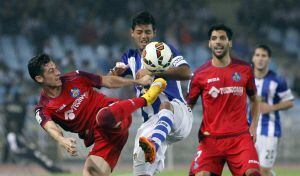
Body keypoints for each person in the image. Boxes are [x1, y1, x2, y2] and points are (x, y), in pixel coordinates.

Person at [27, 53, 167, 176]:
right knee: (90, 172)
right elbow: (50, 127)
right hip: (103, 138)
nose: (57, 72)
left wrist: (138, 82)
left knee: (103, 117)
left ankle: (146, 98)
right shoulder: (43, 107)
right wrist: (62, 140)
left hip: (114, 114)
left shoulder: (75, 77)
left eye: (56, 68)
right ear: (39, 78)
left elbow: (107, 81)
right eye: (51, 71)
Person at [109, 11, 193, 176]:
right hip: (151, 124)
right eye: (139, 32)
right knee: (141, 173)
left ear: (154, 33)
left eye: (148, 32)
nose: (144, 36)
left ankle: (154, 144)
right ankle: (152, 144)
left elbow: (186, 72)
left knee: (165, 106)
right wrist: (115, 73)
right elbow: (111, 80)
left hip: (178, 113)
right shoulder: (130, 57)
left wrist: (154, 73)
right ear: (132, 33)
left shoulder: (165, 50)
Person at [187, 24, 261, 176]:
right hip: (210, 140)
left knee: (253, 173)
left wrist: (253, 126)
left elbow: (254, 99)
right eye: (214, 38)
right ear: (209, 43)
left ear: (230, 42)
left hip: (240, 138)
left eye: (222, 38)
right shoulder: (200, 74)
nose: (218, 42)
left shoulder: (245, 69)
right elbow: (188, 106)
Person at [251, 44, 294, 176]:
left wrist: (271, 107)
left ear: (269, 59)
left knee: (264, 170)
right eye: (257, 55)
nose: (260, 59)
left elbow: (289, 102)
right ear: (253, 58)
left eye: (264, 56)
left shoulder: (277, 81)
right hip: (248, 130)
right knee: (250, 169)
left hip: (269, 130)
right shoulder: (245, 78)